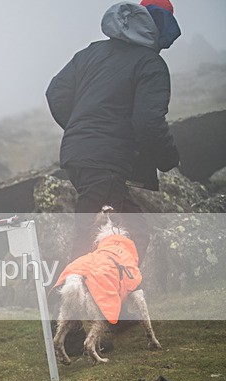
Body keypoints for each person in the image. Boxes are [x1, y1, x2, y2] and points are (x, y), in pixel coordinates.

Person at [46, 0, 181, 262]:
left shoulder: (91, 52)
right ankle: (78, 286)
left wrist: (81, 130)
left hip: (78, 156)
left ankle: (112, 284)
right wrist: (168, 159)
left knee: (129, 229)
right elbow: (148, 122)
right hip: (105, 162)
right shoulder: (149, 63)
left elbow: (56, 93)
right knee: (99, 237)